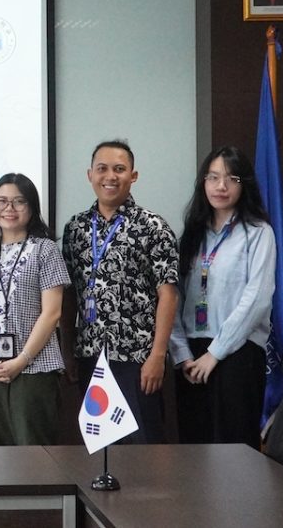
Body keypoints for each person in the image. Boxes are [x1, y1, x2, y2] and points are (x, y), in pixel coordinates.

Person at [62, 140, 179, 444]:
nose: (110, 176)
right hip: (90, 355)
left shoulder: (153, 226)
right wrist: (67, 350)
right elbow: (70, 294)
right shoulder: (75, 229)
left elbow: (168, 294)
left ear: (133, 175)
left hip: (137, 357)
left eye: (119, 169)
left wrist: (157, 355)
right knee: (101, 446)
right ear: (90, 175)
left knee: (144, 447)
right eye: (102, 169)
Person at [170, 146, 275, 448]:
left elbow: (257, 299)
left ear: (245, 185)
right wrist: (182, 354)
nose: (221, 186)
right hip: (192, 357)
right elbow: (172, 298)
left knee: (233, 452)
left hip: (237, 353)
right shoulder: (191, 235)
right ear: (203, 182)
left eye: (231, 179)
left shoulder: (258, 233)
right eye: (213, 177)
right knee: (194, 447)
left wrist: (215, 354)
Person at [0, 173, 69, 446]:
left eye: (19, 202)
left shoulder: (45, 250)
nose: (9, 208)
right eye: (2, 201)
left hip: (34, 366)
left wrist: (21, 360)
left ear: (31, 208)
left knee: (34, 449)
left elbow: (52, 313)